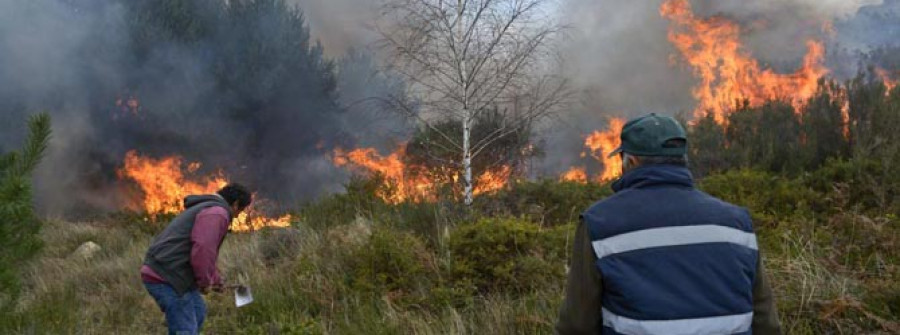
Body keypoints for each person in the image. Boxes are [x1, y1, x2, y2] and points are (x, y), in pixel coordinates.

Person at [556, 113, 782, 335]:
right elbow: (766, 322)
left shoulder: (600, 223)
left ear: (631, 161)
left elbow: (577, 326)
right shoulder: (737, 223)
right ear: (682, 159)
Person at [140, 183, 252, 335]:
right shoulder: (218, 213)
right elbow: (203, 249)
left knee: (198, 311)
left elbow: (206, 255)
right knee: (185, 328)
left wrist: (216, 281)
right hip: (167, 275)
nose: (239, 215)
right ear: (236, 204)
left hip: (171, 273)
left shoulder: (209, 208)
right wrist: (204, 282)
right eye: (241, 210)